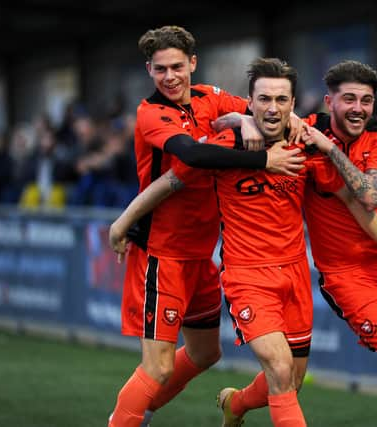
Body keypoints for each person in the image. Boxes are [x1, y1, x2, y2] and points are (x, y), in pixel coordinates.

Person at [109, 57, 377, 427]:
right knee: (277, 365)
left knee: (291, 379)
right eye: (264, 99)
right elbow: (172, 181)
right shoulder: (226, 144)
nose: (272, 108)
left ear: (292, 105)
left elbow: (357, 202)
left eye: (281, 100)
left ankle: (236, 404)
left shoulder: (304, 145)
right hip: (246, 276)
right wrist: (124, 221)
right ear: (250, 102)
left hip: (294, 276)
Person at [216, 61, 377, 427]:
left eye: (366, 100)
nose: (358, 108)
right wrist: (243, 121)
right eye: (348, 98)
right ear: (328, 102)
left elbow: (368, 196)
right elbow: (242, 114)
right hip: (348, 275)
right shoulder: (302, 131)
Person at [107, 27, 304, 427]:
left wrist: (268, 117)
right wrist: (263, 161)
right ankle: (123, 419)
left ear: (192, 63)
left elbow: (264, 108)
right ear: (149, 70)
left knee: (204, 352)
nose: (170, 76)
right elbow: (192, 154)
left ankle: (137, 412)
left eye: (177, 66)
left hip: (201, 253)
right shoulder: (151, 113)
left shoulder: (210, 98)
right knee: (158, 367)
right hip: (162, 253)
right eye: (160, 69)